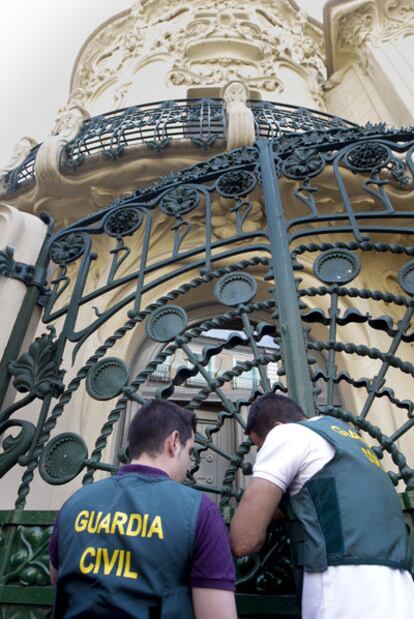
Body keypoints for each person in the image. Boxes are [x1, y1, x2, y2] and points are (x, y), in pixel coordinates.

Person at [230, 393, 414, 619]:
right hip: (401, 590)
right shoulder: (349, 439)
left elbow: (244, 540)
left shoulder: (287, 433)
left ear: (278, 426)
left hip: (343, 591)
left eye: (261, 446)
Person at [49, 399, 238, 619]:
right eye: (190, 451)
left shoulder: (75, 502)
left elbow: (57, 578)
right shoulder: (200, 511)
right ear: (174, 442)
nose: (188, 466)